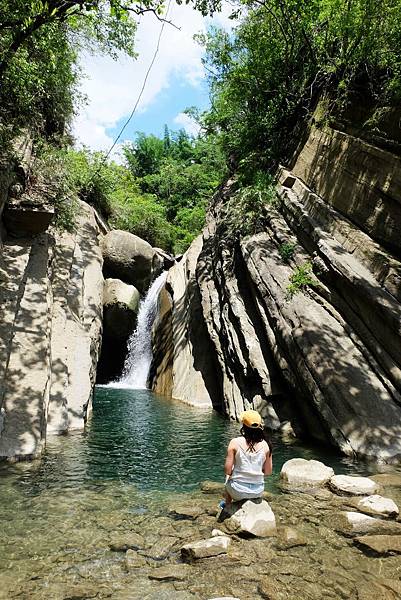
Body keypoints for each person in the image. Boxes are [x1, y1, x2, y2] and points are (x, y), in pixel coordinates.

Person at [222, 409, 272, 506]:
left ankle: (227, 506)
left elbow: (227, 470)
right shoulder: (266, 445)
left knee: (229, 476)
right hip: (257, 492)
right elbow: (268, 472)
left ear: (244, 425)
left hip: (237, 491)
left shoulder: (234, 442)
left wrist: (236, 473)